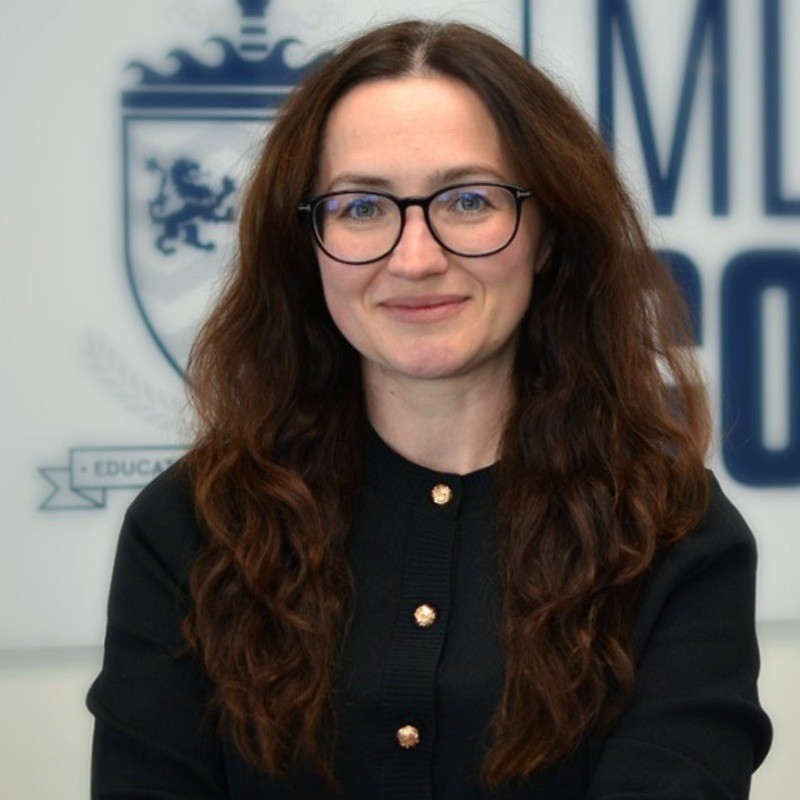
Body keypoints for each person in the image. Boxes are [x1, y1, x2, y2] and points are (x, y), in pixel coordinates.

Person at [87, 19, 772, 799]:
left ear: (548, 235)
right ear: (306, 244)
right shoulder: (190, 526)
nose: (416, 259)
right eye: (361, 208)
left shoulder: (674, 532)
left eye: (469, 200)